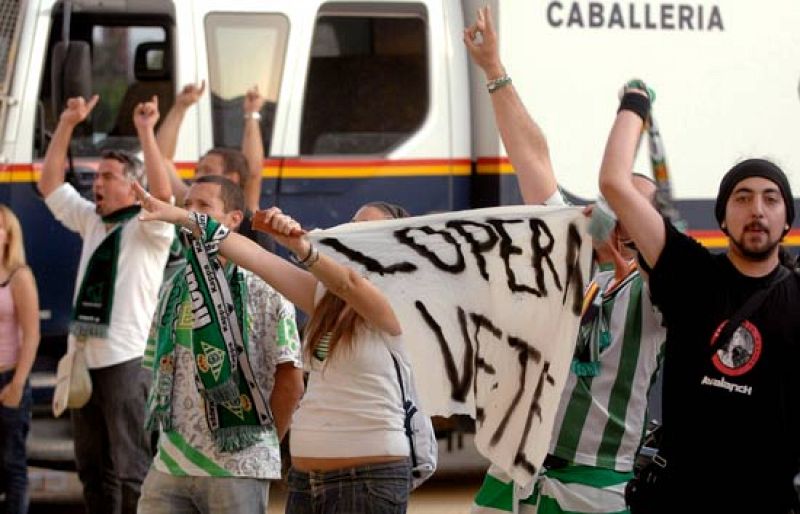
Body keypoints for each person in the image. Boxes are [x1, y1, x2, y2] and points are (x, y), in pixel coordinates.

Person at [465, 7, 665, 513]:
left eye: (634, 202)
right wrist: (494, 69)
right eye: (614, 200)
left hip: (594, 488)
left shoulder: (658, 288)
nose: (618, 208)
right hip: (511, 478)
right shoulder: (566, 258)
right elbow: (531, 155)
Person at [135, 189, 413, 514]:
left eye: (364, 229)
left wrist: (300, 246)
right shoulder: (324, 299)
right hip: (307, 480)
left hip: (367, 480)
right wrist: (180, 217)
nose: (350, 233)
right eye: (351, 224)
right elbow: (256, 258)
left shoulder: (398, 304)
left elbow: (349, 284)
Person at [598, 83, 800, 513]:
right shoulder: (690, 272)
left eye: (771, 198)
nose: (757, 210)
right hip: (680, 499)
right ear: (723, 218)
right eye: (742, 198)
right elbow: (615, 183)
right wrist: (636, 104)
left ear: (787, 221)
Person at [36, 95, 174, 514]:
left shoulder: (147, 228)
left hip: (126, 359)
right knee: (93, 468)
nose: (96, 183)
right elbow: (49, 186)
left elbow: (164, 193)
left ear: (132, 185)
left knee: (132, 467)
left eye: (108, 176)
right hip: (84, 359)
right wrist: (66, 123)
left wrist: (146, 132)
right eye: (96, 176)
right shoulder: (94, 221)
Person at [137, 175, 303, 514]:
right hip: (170, 463)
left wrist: (262, 445)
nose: (190, 214)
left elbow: (290, 379)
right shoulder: (174, 287)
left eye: (203, 207)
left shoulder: (264, 287)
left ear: (234, 220)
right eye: (187, 206)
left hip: (236, 469)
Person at [156, 81, 267, 241]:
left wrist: (252, 114)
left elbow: (254, 171)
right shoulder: (190, 197)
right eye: (197, 171)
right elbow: (160, 159)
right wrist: (180, 107)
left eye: (207, 170)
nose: (197, 176)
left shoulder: (245, 204)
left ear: (232, 178)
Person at [0, 205, 40, 514]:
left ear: (8, 236)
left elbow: (32, 334)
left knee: (12, 464)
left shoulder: (19, 276)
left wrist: (17, 384)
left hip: (8, 379)